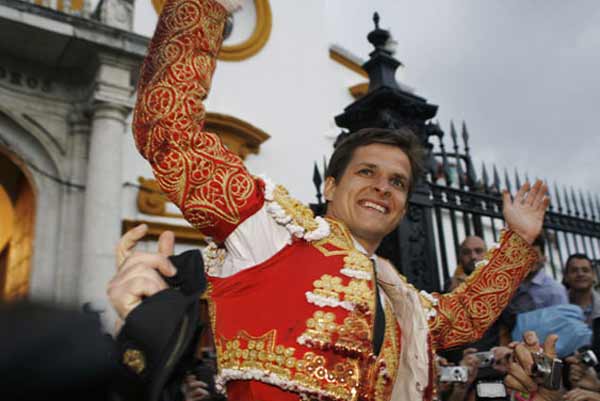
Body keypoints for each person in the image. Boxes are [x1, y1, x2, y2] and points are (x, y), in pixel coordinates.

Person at [107, 0, 549, 400]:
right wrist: (203, 10)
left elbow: (460, 320)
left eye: (397, 182)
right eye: (367, 172)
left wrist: (519, 240)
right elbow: (170, 135)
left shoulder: (403, 302)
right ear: (330, 187)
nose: (383, 187)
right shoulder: (270, 233)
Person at [504, 236, 568, 321]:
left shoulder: (555, 290)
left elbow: (562, 322)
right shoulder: (510, 285)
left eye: (535, 255)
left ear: (544, 259)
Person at [564, 253, 600, 326]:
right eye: (574, 270)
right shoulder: (556, 304)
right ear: (566, 277)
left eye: (585, 270)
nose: (580, 274)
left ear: (593, 275)